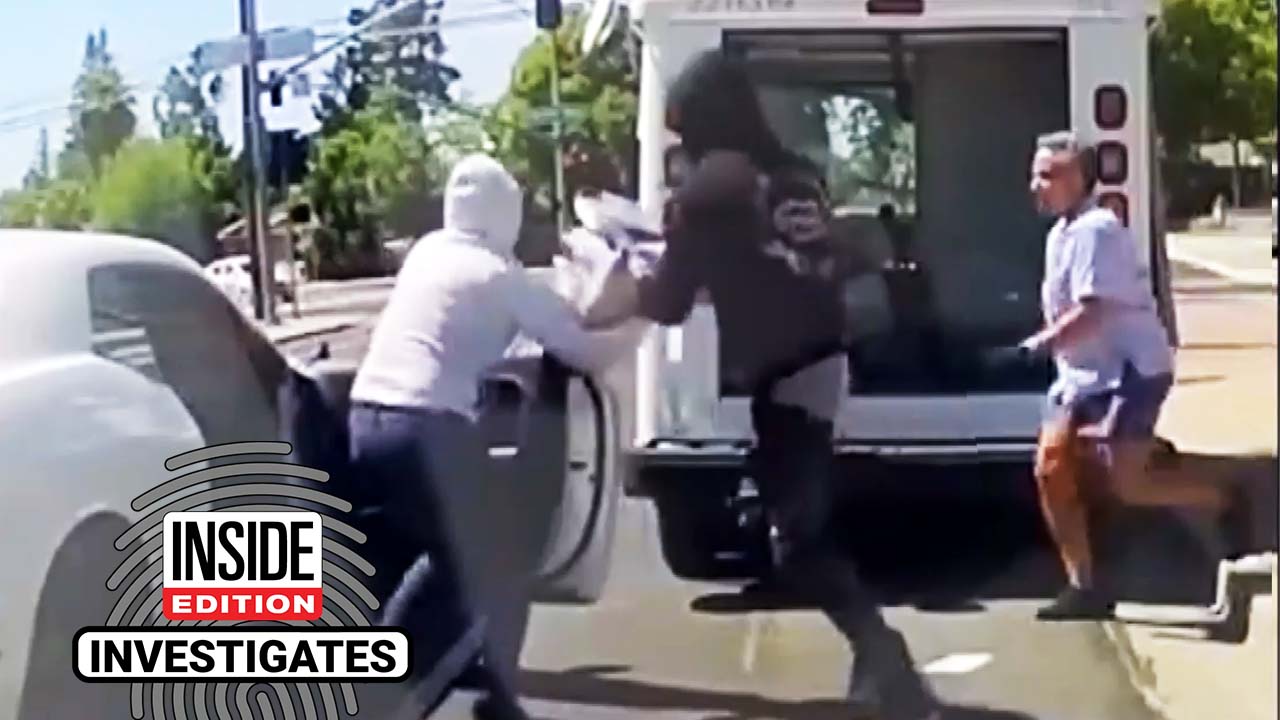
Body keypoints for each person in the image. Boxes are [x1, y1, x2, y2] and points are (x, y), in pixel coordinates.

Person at [584, 49, 940, 720]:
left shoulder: (708, 191)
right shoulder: (794, 174)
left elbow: (668, 301)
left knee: (797, 539)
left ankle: (887, 663)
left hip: (789, 372)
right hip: (822, 361)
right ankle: (882, 662)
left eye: (681, 127)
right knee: (797, 527)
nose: (678, 141)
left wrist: (607, 295)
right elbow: (802, 260)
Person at [347, 153, 645, 719]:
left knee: (428, 556)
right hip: (426, 427)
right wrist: (641, 319)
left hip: (367, 420)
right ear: (504, 211)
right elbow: (579, 346)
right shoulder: (494, 274)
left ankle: (458, 687)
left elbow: (534, 317)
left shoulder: (429, 253)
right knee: (495, 556)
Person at [1021, 130, 1246, 621]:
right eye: (1035, 174)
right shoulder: (1059, 234)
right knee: (1049, 472)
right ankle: (1085, 587)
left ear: (1081, 179)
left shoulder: (1099, 229)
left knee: (1129, 484)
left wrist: (1036, 345)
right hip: (1079, 377)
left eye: (1049, 175)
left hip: (1131, 374)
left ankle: (1224, 501)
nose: (1036, 185)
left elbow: (1092, 311)